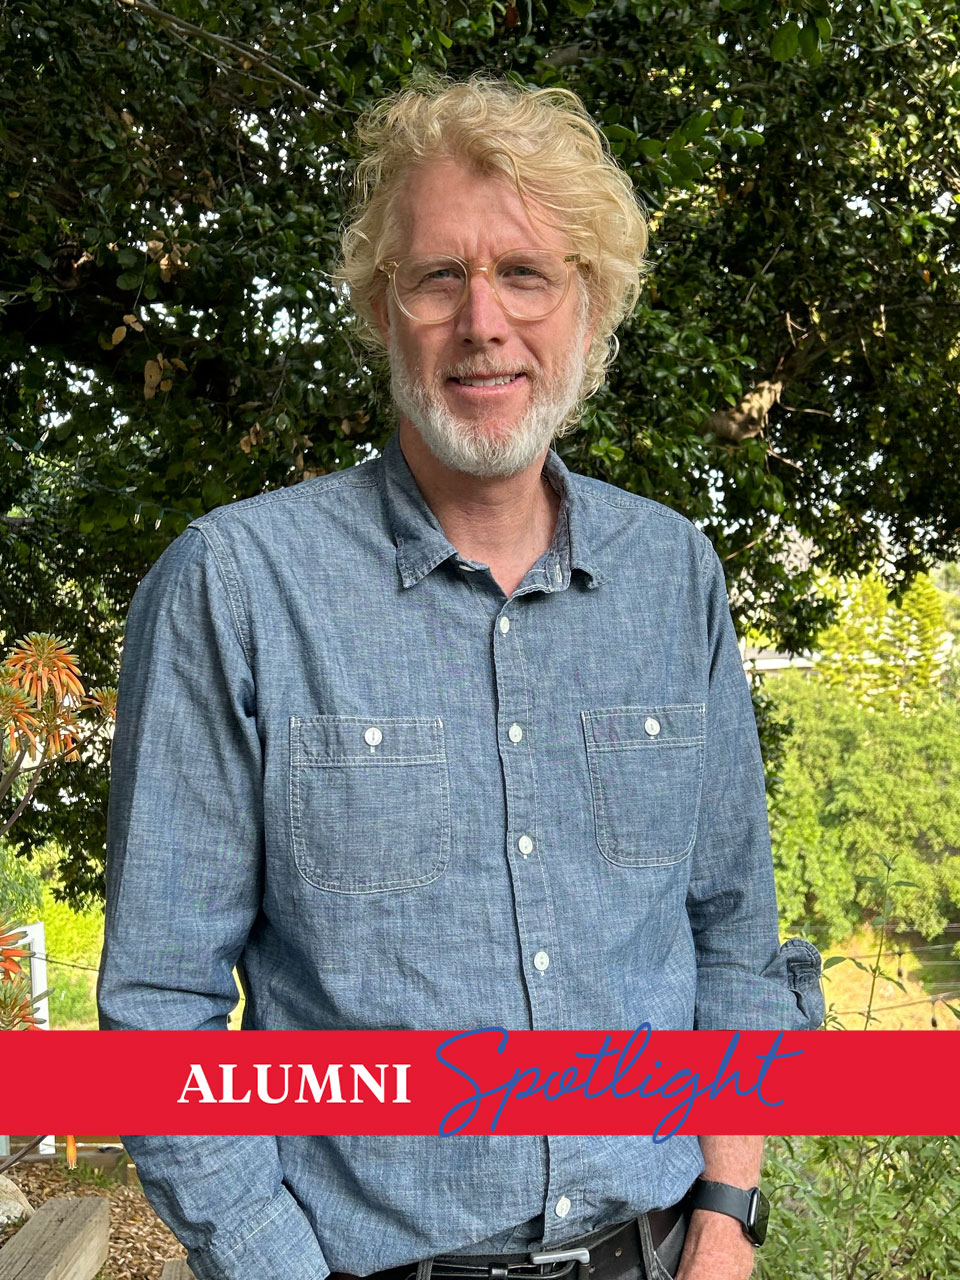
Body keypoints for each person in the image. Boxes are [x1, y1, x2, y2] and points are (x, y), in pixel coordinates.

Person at [98, 76, 823, 1280]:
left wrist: (726, 1212)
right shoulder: (235, 586)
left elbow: (731, 933)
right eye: (440, 277)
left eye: (527, 274)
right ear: (385, 311)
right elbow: (159, 1007)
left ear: (589, 306)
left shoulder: (674, 576)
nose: (483, 321)